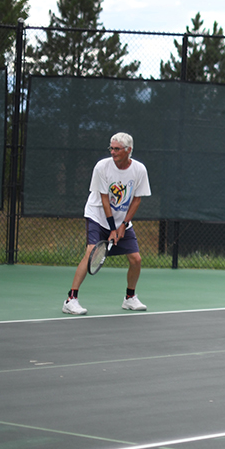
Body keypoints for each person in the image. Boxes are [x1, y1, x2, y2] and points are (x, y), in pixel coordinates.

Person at [63, 132, 152, 315]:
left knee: (136, 259)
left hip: (121, 220)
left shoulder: (139, 170)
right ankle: (71, 299)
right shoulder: (102, 167)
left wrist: (123, 225)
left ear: (128, 150)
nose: (113, 152)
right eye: (111, 148)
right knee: (91, 252)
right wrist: (113, 228)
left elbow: (136, 200)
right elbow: (104, 200)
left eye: (117, 149)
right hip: (97, 214)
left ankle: (130, 298)